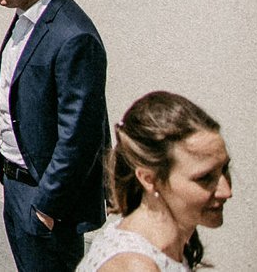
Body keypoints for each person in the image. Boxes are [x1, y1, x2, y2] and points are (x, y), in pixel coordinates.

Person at [0, 0, 110, 272]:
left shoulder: (75, 37)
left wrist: (47, 207)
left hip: (43, 195)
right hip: (15, 182)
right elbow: (27, 73)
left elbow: (81, 136)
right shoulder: (28, 14)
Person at [75, 92, 231, 272]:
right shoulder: (134, 266)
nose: (226, 191)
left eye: (225, 170)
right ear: (149, 180)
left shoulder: (168, 239)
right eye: (204, 178)